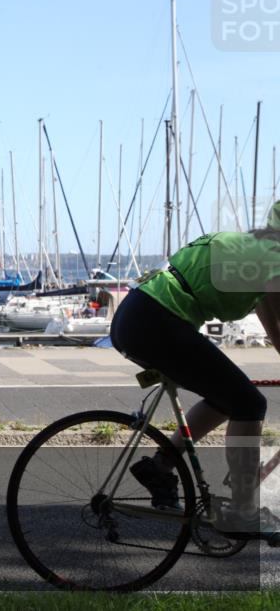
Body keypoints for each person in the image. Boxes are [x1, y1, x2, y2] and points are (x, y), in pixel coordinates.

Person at [110, 201, 280, 539]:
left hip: (142, 316)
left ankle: (161, 466)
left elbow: (273, 325)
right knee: (249, 404)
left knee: (228, 398)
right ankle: (242, 512)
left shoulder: (260, 252)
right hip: (155, 321)